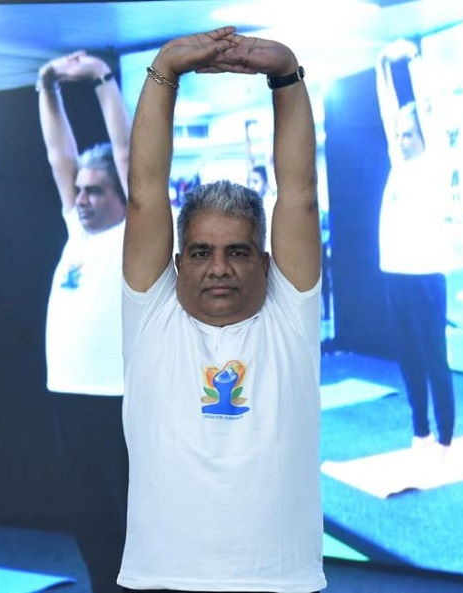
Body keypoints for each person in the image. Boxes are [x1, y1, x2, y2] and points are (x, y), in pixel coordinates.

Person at [119, 27, 326, 592]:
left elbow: (300, 194)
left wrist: (286, 75)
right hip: (161, 580)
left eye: (237, 252)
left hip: (279, 583)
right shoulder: (152, 313)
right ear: (178, 261)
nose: (218, 268)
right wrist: (165, 68)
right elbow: (144, 194)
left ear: (264, 262)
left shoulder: (290, 314)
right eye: (201, 253)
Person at [36, 49, 130, 593]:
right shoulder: (78, 232)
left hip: (121, 401)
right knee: (90, 524)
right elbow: (59, 154)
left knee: (135, 530)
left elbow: (127, 150)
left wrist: (102, 79)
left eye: (95, 190)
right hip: (68, 399)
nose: (82, 199)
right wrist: (45, 87)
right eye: (80, 191)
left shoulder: (141, 235)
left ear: (124, 195)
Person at [375, 39, 455, 451]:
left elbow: (426, 109)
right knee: (408, 357)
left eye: (409, 135)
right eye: (400, 135)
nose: (402, 140)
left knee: (434, 357)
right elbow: (388, 111)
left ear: (424, 136)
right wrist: (381, 66)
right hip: (395, 274)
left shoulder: (435, 161)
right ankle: (420, 430)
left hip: (426, 275)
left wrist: (414, 63)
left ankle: (445, 437)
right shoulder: (399, 162)